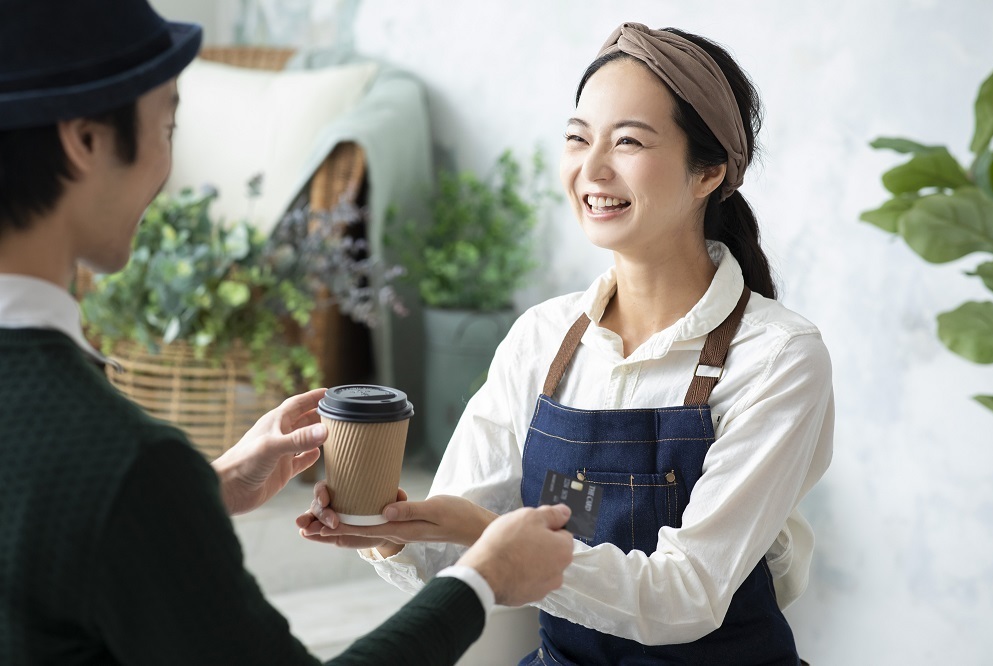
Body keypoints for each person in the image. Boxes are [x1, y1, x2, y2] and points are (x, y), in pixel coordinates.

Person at [0, 1, 575, 664]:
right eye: (169, 125)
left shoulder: (117, 469)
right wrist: (481, 580)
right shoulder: (124, 462)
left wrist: (204, 491)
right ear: (86, 140)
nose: (167, 166)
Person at [297, 22, 835, 665]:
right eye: (578, 138)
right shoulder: (543, 338)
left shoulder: (777, 357)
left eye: (629, 140)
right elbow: (448, 546)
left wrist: (493, 537)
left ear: (709, 174)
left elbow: (687, 595)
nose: (592, 168)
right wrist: (382, 527)